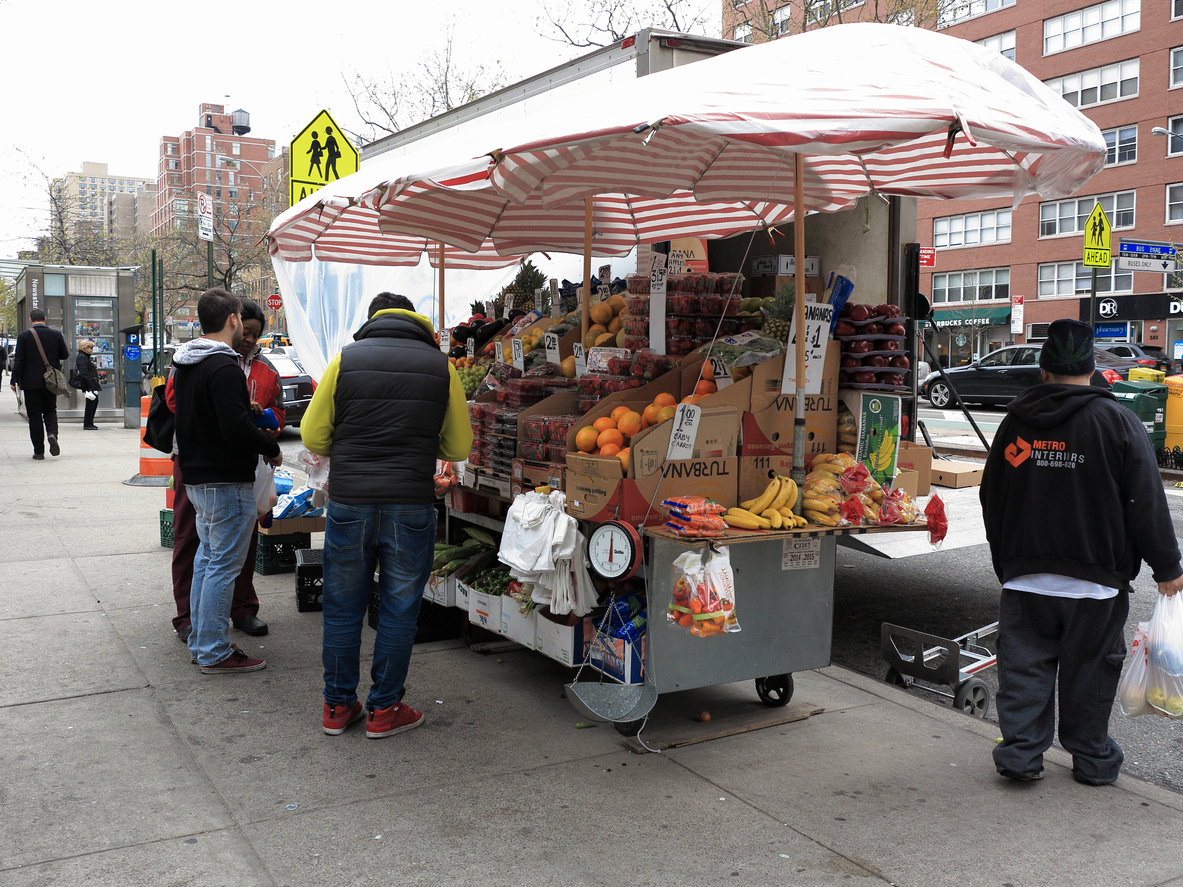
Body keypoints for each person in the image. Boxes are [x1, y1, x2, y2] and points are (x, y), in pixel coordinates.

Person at [980, 318, 1183, 786]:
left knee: (1024, 667)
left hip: (1026, 576)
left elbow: (992, 497)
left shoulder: (1015, 423)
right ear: (1093, 372)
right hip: (1097, 582)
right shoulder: (1117, 422)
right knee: (1090, 672)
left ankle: (1021, 755)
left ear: (1044, 371)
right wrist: (1167, 566)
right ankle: (1091, 759)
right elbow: (1145, 501)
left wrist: (1007, 564)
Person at [301, 292, 472, 737]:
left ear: (373, 319)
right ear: (416, 320)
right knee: (398, 610)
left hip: (350, 502)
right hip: (409, 504)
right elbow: (458, 448)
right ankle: (384, 710)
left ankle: (337, 708)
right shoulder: (442, 367)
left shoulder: (345, 360)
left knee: (341, 609)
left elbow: (314, 437)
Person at [172, 288, 283, 674]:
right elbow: (234, 429)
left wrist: (241, 409)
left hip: (199, 477)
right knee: (221, 565)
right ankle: (216, 651)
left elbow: (203, 417)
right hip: (224, 480)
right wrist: (269, 446)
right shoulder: (223, 366)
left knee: (207, 560)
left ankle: (205, 643)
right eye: (241, 319)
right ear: (233, 319)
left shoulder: (188, 362)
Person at [10, 308, 69, 460]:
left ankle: (39, 451)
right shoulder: (56, 334)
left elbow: (20, 360)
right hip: (51, 381)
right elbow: (64, 355)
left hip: (30, 382)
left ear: (31, 320)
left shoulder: (24, 336)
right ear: (45, 318)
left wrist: (14, 380)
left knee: (34, 415)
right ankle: (52, 434)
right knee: (50, 410)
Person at [75, 339, 102, 429]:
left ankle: (89, 422)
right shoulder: (82, 357)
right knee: (91, 403)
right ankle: (88, 423)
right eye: (90, 347)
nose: (92, 349)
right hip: (90, 383)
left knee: (93, 403)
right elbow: (84, 372)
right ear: (84, 348)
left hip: (91, 382)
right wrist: (91, 386)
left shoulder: (85, 356)